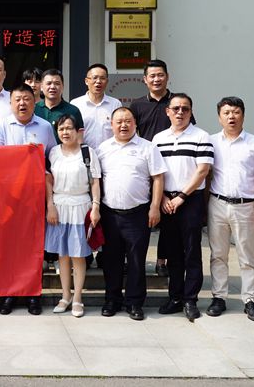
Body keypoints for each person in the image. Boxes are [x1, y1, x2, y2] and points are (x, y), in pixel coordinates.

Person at [0, 84, 56, 316]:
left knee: (33, 245)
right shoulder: (1, 125)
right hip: (9, 195)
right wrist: (20, 154)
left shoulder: (45, 127)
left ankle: (32, 294)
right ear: (10, 103)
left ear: (34, 101)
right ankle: (9, 292)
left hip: (35, 195)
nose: (22, 103)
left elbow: (52, 159)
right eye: (17, 99)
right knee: (9, 244)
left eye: (27, 99)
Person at [97, 107, 167, 321]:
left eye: (128, 121)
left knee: (136, 260)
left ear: (135, 123)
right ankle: (112, 300)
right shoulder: (102, 148)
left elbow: (158, 178)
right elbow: (96, 180)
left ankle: (134, 303)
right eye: (119, 121)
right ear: (111, 125)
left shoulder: (148, 147)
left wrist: (155, 206)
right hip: (110, 214)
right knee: (111, 260)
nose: (123, 125)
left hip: (138, 214)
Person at [206, 96, 254, 322]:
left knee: (247, 256)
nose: (231, 117)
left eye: (235, 112)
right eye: (226, 113)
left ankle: (250, 300)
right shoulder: (211, 142)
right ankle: (219, 297)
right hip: (217, 204)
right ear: (219, 117)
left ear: (243, 115)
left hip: (246, 206)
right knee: (218, 254)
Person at [152, 93, 213, 321]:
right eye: (175, 108)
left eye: (185, 109)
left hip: (190, 201)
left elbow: (202, 170)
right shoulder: (158, 138)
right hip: (167, 201)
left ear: (191, 112)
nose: (180, 112)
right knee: (173, 253)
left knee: (192, 252)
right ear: (167, 111)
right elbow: (155, 172)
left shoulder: (201, 136)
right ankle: (175, 297)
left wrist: (181, 197)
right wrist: (163, 198)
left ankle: (190, 299)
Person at [130, 59, 193, 276]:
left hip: (172, 168)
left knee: (168, 219)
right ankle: (135, 260)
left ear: (167, 77)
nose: (156, 79)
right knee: (144, 216)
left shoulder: (177, 103)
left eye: (160, 75)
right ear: (145, 79)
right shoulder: (137, 105)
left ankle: (162, 260)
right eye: (152, 76)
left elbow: (189, 128)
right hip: (145, 168)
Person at [45, 114, 101, 318]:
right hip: (59, 207)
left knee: (78, 255)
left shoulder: (87, 152)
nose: (65, 132)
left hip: (80, 206)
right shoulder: (53, 152)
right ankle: (65, 295)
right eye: (61, 129)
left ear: (78, 131)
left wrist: (95, 207)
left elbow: (95, 182)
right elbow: (48, 181)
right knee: (63, 255)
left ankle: (77, 297)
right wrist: (50, 205)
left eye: (69, 128)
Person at [71, 63, 122, 150]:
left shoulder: (115, 104)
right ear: (86, 81)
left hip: (109, 153)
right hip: (83, 153)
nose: (98, 81)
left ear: (107, 81)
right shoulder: (76, 104)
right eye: (94, 78)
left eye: (102, 78)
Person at [34, 68, 84, 144]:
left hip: (64, 151)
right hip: (39, 151)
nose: (52, 87)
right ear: (41, 87)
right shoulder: (34, 109)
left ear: (63, 86)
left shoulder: (73, 111)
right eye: (49, 83)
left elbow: (79, 139)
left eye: (57, 83)